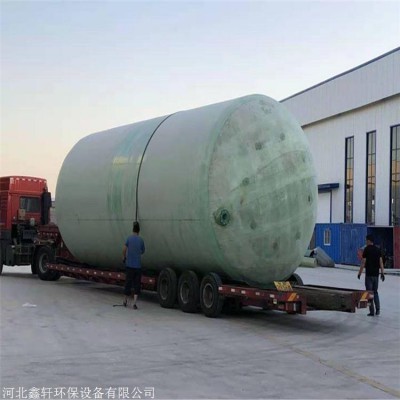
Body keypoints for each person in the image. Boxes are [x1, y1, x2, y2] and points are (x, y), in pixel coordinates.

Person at [357, 234, 385, 316]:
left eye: (366, 240)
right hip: (376, 275)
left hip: (369, 275)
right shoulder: (377, 250)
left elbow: (363, 262)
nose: (366, 242)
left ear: (369, 241)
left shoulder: (366, 249)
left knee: (369, 293)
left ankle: (371, 311)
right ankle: (378, 310)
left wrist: (359, 273)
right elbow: (381, 262)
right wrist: (382, 273)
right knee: (375, 292)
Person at [122, 221, 145, 310]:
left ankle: (125, 301)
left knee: (128, 283)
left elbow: (124, 249)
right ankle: (134, 304)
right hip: (137, 266)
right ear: (139, 231)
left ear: (133, 230)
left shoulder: (129, 239)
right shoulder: (141, 240)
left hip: (129, 265)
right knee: (136, 285)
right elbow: (143, 251)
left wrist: (124, 257)